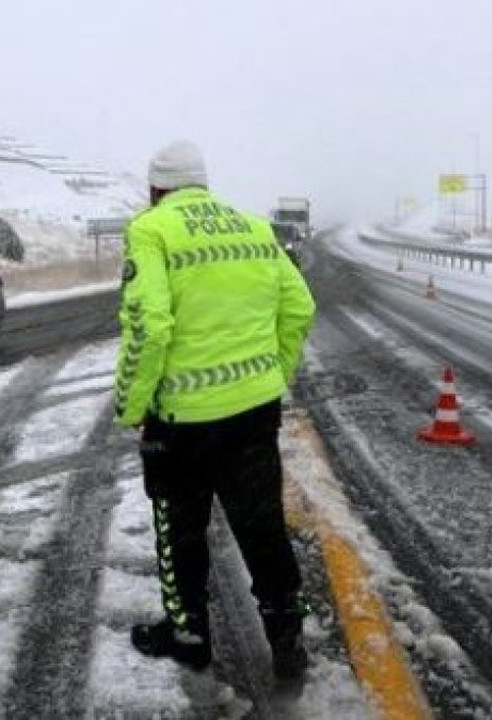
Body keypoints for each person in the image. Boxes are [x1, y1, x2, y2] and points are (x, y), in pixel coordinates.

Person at [113, 140, 317, 679]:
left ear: (156, 188)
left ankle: (190, 635)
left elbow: (149, 326)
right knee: (263, 525)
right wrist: (272, 375)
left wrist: (131, 404)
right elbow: (300, 306)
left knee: (179, 530)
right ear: (202, 182)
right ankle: (287, 633)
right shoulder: (253, 227)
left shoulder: (151, 230)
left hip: (181, 424)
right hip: (254, 412)